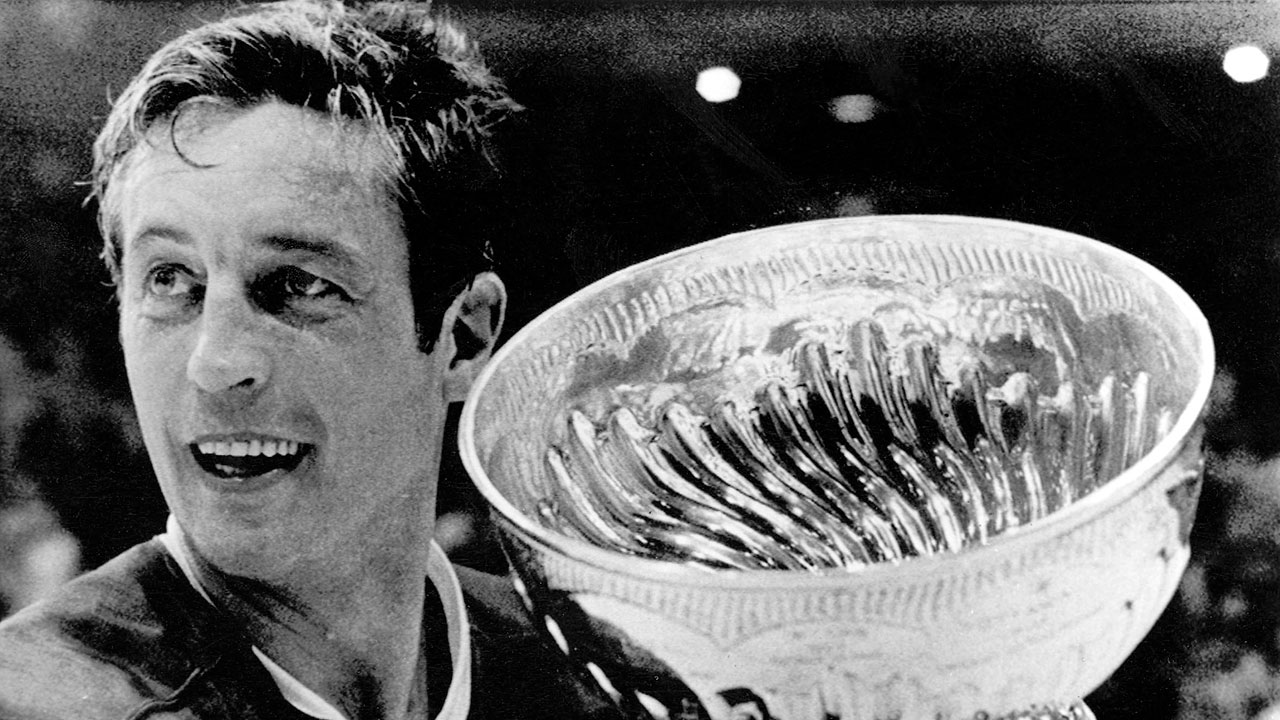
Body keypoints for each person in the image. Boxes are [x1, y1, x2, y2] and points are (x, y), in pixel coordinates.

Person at [0, 2, 628, 718]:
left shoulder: (603, 676)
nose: (215, 362)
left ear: (464, 338)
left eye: (299, 285)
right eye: (171, 280)